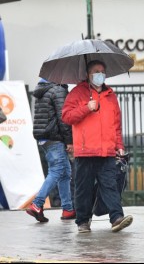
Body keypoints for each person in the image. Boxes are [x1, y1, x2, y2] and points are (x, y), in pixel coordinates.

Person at [62, 60, 133, 233]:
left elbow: (116, 124)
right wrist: (87, 107)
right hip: (85, 150)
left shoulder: (110, 95)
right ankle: (83, 221)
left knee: (110, 185)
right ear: (88, 74)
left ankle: (116, 217)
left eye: (102, 71)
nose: (100, 74)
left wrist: (119, 145)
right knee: (83, 188)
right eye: (96, 71)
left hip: (107, 150)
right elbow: (67, 116)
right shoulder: (77, 92)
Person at [26, 78, 75, 222]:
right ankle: (37, 204)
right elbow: (63, 118)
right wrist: (69, 141)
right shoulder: (58, 90)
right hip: (55, 137)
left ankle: (68, 209)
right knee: (57, 170)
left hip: (44, 137)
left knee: (65, 173)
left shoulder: (43, 89)